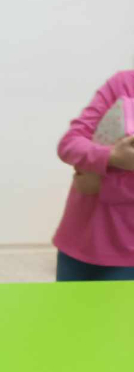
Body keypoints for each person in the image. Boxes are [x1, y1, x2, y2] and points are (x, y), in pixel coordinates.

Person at [53, 70, 134, 281]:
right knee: (66, 305)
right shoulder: (124, 82)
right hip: (78, 239)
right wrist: (111, 157)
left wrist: (104, 185)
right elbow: (69, 143)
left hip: (128, 256)